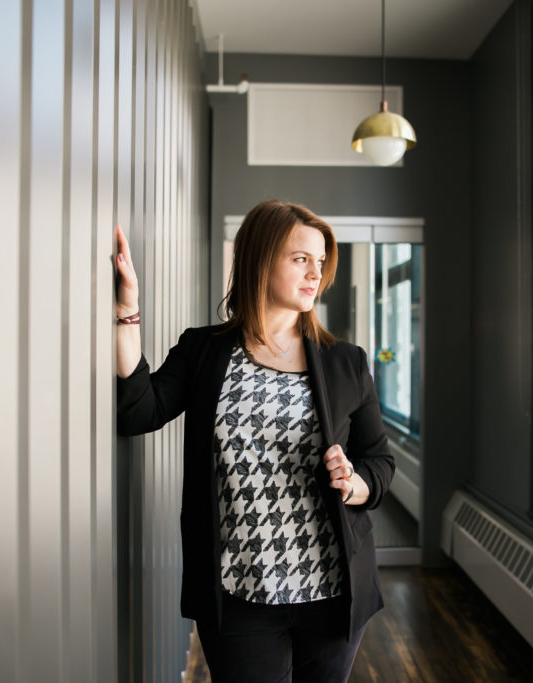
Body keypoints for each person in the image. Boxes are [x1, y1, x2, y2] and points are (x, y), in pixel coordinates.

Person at [113, 199, 395, 682]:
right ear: (261, 260)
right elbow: (140, 410)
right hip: (239, 597)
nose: (314, 274)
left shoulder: (346, 362)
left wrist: (354, 484)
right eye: (300, 258)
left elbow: (379, 462)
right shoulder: (204, 351)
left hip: (331, 594)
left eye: (320, 262)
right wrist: (127, 312)